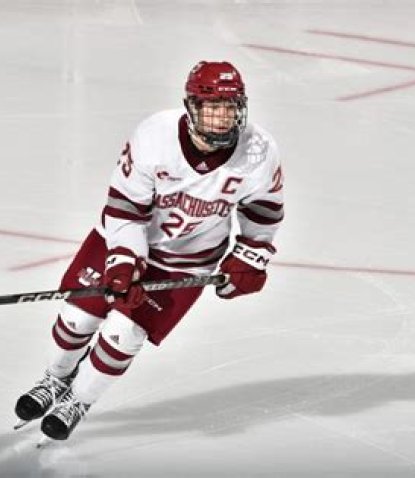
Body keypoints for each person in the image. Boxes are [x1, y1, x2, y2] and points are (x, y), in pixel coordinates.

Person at [15, 60, 285, 441]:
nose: (222, 118)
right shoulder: (154, 136)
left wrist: (250, 255)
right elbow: (126, 208)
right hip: (121, 239)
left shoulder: (259, 152)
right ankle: (55, 379)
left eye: (230, 107)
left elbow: (264, 214)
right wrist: (125, 263)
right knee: (77, 318)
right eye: (212, 107)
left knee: (124, 334)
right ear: (191, 107)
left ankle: (78, 399)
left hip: (188, 262)